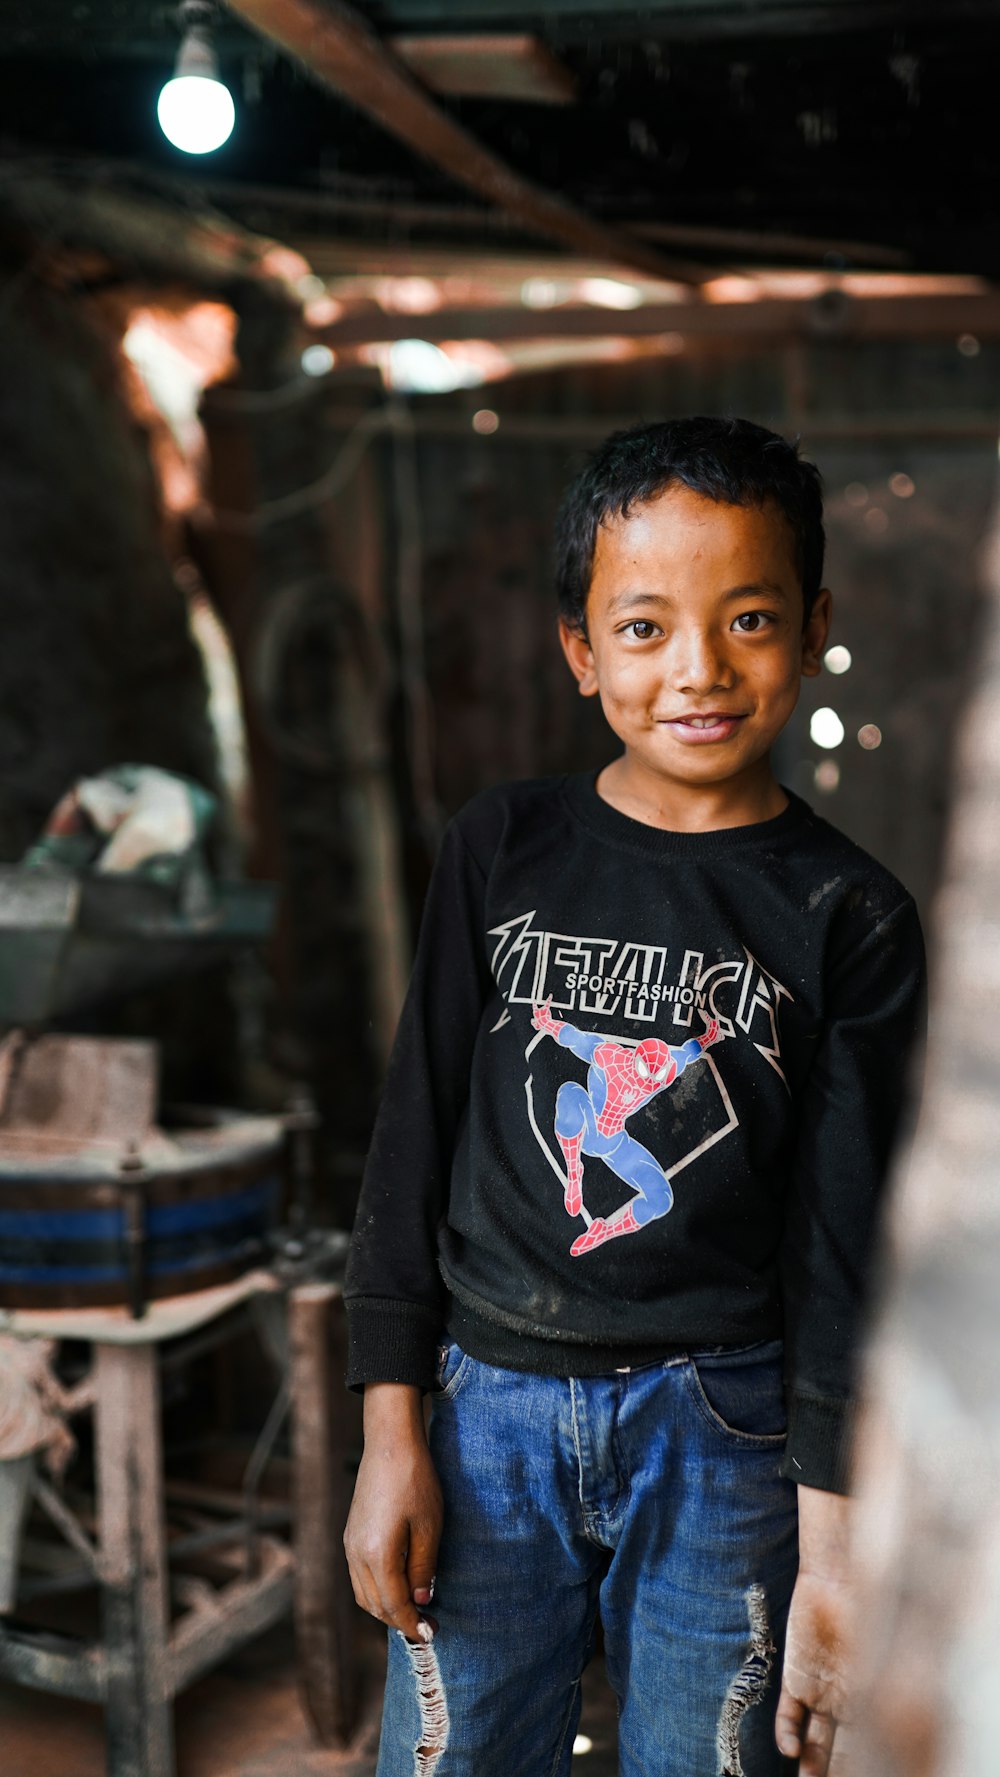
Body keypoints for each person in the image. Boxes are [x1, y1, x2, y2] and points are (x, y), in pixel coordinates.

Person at [343, 416, 925, 1777]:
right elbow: (410, 1143)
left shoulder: (850, 915)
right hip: (484, 1410)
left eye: (750, 617)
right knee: (454, 1756)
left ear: (815, 623)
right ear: (580, 647)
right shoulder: (502, 846)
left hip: (725, 1430)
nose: (700, 671)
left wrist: (830, 1554)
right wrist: (391, 1434)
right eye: (646, 626)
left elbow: (845, 1257)